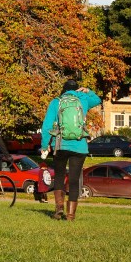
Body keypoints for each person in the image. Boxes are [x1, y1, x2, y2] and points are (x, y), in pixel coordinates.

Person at [41, 79, 101, 221]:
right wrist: (87, 90)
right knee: (74, 180)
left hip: (60, 145)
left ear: (64, 89)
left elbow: (46, 127)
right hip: (80, 146)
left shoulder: (56, 102)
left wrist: (44, 146)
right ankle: (71, 215)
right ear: (76, 90)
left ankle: (59, 208)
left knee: (60, 176)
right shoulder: (84, 100)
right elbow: (98, 99)